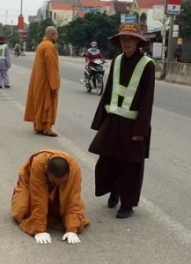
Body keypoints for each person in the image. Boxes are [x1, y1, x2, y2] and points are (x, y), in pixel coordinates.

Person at [88, 23, 155, 219]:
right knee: (106, 160)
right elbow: (108, 91)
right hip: (113, 120)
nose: (127, 42)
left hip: (134, 124)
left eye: (131, 39)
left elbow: (147, 99)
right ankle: (114, 189)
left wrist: (140, 130)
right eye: (124, 39)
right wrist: (101, 121)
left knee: (130, 166)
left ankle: (128, 203)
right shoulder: (117, 61)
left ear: (138, 42)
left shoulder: (147, 65)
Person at [11, 149, 90, 244]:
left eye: (62, 182)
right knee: (22, 209)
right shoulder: (39, 164)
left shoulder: (74, 170)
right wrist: (39, 229)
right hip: (31, 186)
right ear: (46, 171)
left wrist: (72, 229)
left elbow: (73, 199)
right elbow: (39, 198)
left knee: (64, 208)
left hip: (59, 191)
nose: (58, 184)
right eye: (54, 181)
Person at [24, 26, 60, 137]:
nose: (57, 36)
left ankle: (38, 126)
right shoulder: (49, 46)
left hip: (39, 80)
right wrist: (54, 84)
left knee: (39, 102)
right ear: (53, 34)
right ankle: (46, 128)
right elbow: (51, 67)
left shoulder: (41, 45)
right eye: (57, 34)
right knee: (47, 103)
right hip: (46, 81)